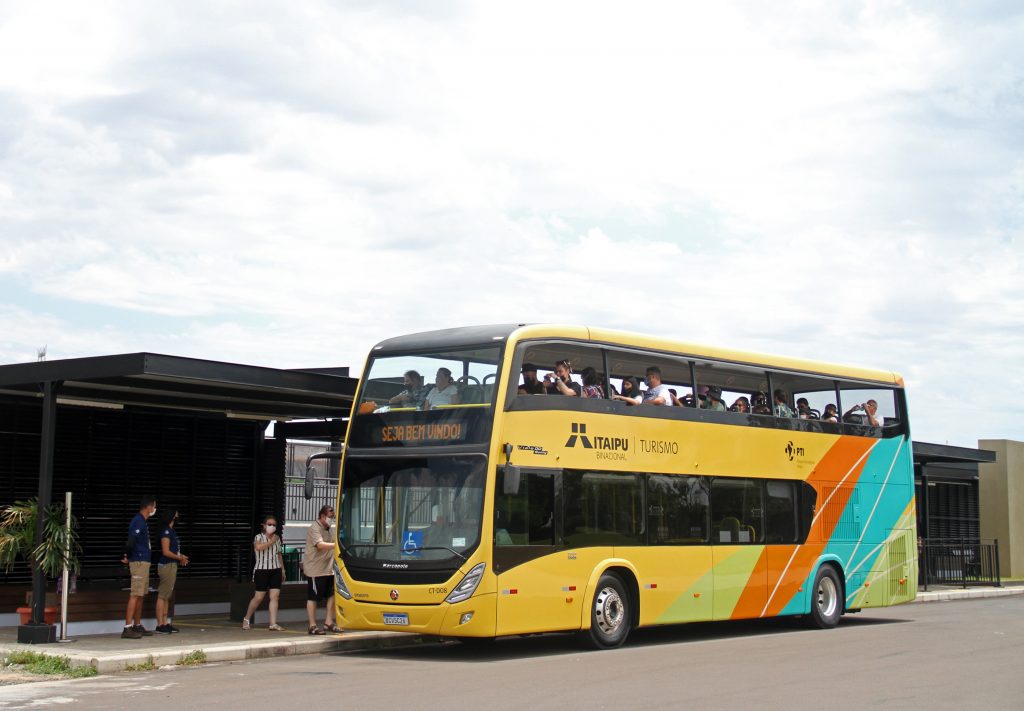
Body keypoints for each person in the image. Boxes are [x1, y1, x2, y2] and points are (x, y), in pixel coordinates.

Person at [120, 497, 157, 639]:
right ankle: (127, 627)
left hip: (144, 561)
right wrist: (127, 555)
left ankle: (137, 624)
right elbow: (131, 540)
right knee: (135, 593)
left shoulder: (143, 522)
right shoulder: (138, 520)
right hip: (139, 561)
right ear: (149, 507)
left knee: (141, 594)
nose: (154, 509)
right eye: (154, 506)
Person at [242, 515, 286, 631]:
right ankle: (246, 618)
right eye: (269, 524)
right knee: (259, 597)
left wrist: (283, 569)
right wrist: (271, 542)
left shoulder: (277, 538)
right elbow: (258, 547)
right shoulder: (259, 537)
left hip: (275, 570)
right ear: (264, 525)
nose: (272, 526)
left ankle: (273, 623)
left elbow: (279, 554)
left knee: (274, 597)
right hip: (261, 570)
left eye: (274, 525)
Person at [303, 505, 341, 635]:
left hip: (329, 569)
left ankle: (328, 622)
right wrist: (337, 546)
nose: (332, 519)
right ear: (322, 516)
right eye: (330, 517)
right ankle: (312, 625)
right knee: (313, 597)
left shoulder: (330, 529)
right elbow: (319, 545)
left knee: (332, 595)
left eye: (333, 517)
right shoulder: (315, 527)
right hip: (315, 569)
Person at [155, 509, 189, 634]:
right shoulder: (166, 531)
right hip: (167, 565)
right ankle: (160, 624)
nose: (178, 515)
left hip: (171, 565)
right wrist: (179, 558)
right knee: (162, 595)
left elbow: (174, 550)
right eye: (176, 513)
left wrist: (181, 556)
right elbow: (166, 552)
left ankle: (165, 623)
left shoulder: (172, 531)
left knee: (167, 595)